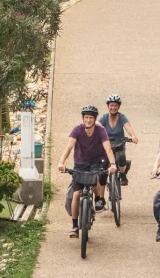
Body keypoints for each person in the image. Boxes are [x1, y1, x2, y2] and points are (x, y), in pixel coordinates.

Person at [57, 105, 118, 238]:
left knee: (97, 177)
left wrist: (113, 164)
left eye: (91, 118)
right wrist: (61, 162)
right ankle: (74, 226)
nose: (88, 120)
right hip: (81, 162)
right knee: (76, 194)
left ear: (95, 119)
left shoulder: (101, 130)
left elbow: (108, 149)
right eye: (86, 117)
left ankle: (98, 198)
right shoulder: (77, 130)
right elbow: (69, 147)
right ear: (83, 118)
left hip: (97, 160)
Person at [99, 94, 138, 185]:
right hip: (106, 144)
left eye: (115, 105)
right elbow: (97, 126)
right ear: (108, 106)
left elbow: (128, 127)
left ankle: (123, 174)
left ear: (119, 106)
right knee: (103, 166)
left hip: (119, 143)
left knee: (121, 156)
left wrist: (133, 136)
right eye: (111, 105)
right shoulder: (104, 118)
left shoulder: (122, 117)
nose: (113, 107)